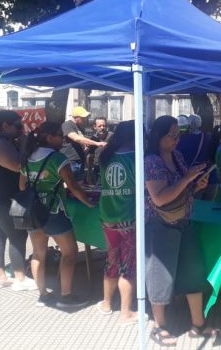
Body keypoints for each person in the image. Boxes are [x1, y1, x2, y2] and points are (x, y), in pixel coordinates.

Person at [144, 115, 218, 346]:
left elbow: (182, 191)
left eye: (179, 134)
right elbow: (159, 198)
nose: (177, 139)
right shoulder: (151, 161)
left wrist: (196, 185)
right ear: (159, 136)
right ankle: (159, 326)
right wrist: (187, 179)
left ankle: (199, 324)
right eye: (172, 135)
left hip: (184, 221)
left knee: (193, 271)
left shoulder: (176, 156)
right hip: (160, 224)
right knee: (160, 275)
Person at [20, 122, 95, 308]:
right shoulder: (58, 158)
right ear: (49, 137)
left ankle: (43, 295)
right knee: (70, 252)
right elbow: (73, 186)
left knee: (38, 253)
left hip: (33, 212)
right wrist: (88, 203)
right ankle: (66, 296)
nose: (63, 139)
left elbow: (22, 186)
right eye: (59, 136)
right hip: (55, 211)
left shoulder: (28, 158)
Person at [0, 110, 35, 291]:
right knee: (17, 234)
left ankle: (0, 277)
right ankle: (20, 278)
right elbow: (17, 166)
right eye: (18, 126)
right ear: (4, 126)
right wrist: (25, 146)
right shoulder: (0, 143)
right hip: (0, 196)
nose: (21, 130)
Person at [96, 120, 139, 322]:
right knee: (128, 265)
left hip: (107, 216)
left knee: (111, 260)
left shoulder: (106, 155)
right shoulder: (135, 157)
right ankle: (125, 312)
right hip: (128, 218)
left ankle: (106, 303)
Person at [176, 114, 218, 201]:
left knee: (194, 208)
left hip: (193, 181)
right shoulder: (209, 137)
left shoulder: (183, 140)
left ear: (189, 125)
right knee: (208, 208)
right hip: (211, 176)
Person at [61, 106, 105, 180]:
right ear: (76, 117)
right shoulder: (67, 124)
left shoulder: (79, 128)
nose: (85, 119)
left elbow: (81, 142)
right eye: (83, 117)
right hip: (71, 161)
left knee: (78, 184)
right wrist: (97, 143)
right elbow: (76, 138)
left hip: (79, 161)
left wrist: (86, 147)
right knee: (70, 184)